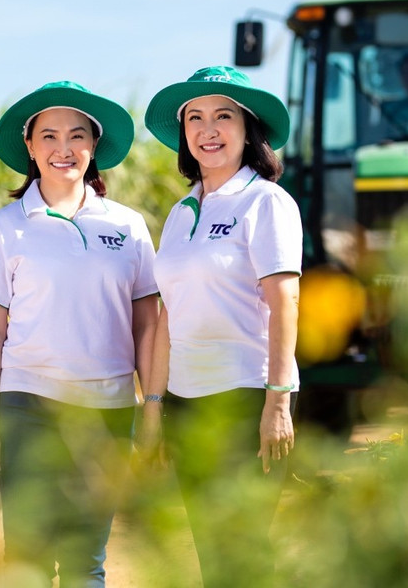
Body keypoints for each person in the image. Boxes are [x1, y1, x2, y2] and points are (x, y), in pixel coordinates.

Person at [0, 81, 160, 587]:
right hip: (27, 406)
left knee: (84, 562)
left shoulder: (129, 226)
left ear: (94, 146)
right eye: (48, 136)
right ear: (29, 147)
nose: (63, 148)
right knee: (26, 557)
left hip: (108, 411)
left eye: (77, 135)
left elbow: (147, 323)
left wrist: (152, 406)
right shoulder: (4, 228)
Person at [139, 65, 302, 587]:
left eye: (223, 116)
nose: (208, 129)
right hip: (187, 402)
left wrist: (278, 402)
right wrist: (154, 405)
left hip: (247, 396)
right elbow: (168, 315)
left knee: (243, 546)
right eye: (195, 118)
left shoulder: (266, 202)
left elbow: (285, 302)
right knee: (210, 550)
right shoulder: (181, 212)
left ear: (249, 129)